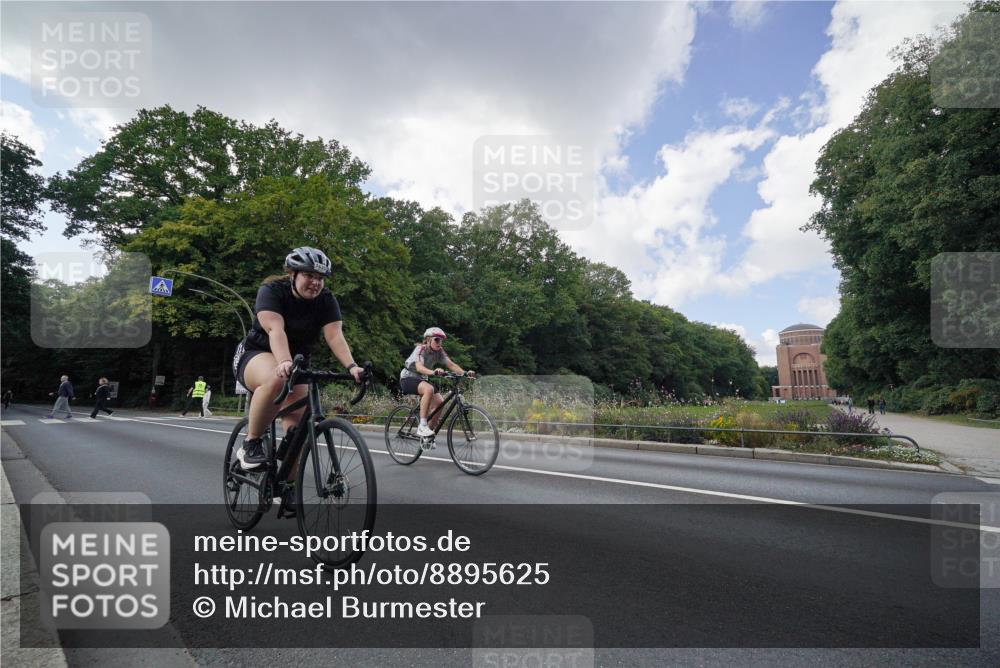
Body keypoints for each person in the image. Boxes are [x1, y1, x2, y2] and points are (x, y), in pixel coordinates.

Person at [231, 247, 364, 485]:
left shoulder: (326, 300)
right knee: (277, 377)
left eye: (320, 278)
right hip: (257, 354)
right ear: (292, 274)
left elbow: (335, 336)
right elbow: (275, 329)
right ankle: (251, 443)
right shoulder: (272, 290)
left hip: (298, 363)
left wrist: (352, 366)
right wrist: (284, 361)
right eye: (309, 275)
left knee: (298, 432)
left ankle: (286, 487)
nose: (315, 282)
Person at [399, 327, 474, 439]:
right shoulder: (420, 349)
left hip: (422, 379)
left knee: (440, 403)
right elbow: (419, 367)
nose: (439, 343)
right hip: (408, 378)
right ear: (428, 340)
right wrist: (433, 372)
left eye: (441, 340)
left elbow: (451, 365)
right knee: (429, 389)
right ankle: (422, 426)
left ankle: (427, 436)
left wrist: (465, 373)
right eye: (437, 340)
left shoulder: (439, 351)